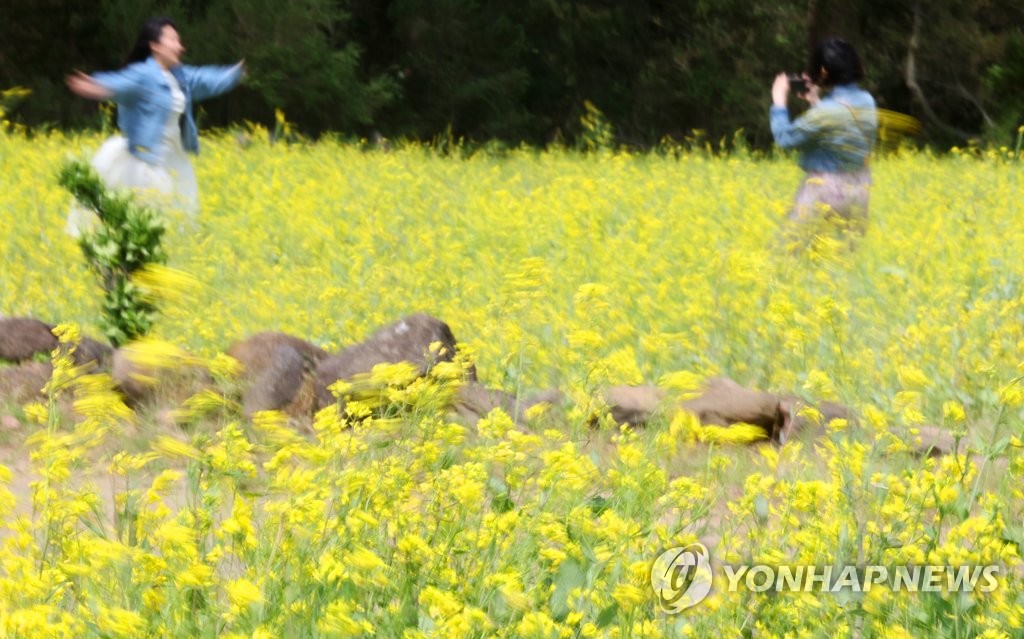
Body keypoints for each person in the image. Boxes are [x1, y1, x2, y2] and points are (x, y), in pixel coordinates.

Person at [65, 17, 244, 237]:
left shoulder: (179, 77)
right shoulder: (143, 75)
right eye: (173, 40)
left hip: (173, 159)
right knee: (150, 221)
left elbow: (204, 79)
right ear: (155, 45)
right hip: (147, 162)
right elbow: (121, 82)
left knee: (172, 220)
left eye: (179, 41)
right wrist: (98, 86)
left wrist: (231, 74)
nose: (180, 46)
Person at [770, 37, 878, 246]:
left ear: (824, 71)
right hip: (859, 189)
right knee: (841, 264)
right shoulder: (867, 101)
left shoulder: (825, 112)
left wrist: (779, 101)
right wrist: (815, 102)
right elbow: (840, 129)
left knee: (785, 257)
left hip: (825, 189)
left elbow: (785, 139)